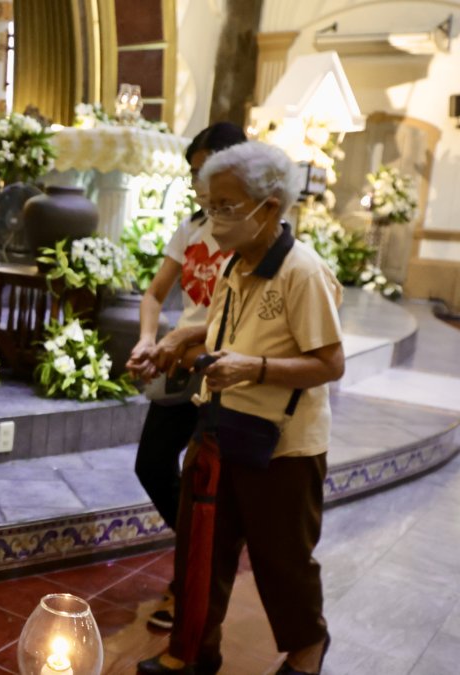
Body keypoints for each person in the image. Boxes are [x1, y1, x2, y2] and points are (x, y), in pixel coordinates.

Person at [138, 142, 343, 675]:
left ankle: (306, 649)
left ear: (268, 207)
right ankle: (191, 651)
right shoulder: (237, 262)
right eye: (209, 205)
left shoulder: (302, 272)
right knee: (202, 550)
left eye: (227, 207)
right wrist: (179, 341)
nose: (213, 219)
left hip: (283, 444)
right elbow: (223, 326)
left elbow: (329, 362)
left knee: (282, 561)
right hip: (220, 426)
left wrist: (254, 368)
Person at [126, 123, 247, 630]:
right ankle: (198, 560)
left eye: (205, 170)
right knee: (153, 464)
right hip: (180, 366)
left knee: (204, 480)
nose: (197, 181)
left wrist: (187, 342)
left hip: (222, 370)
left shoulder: (248, 232)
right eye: (193, 171)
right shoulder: (192, 227)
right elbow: (155, 294)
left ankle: (193, 581)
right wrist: (149, 339)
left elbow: (239, 315)